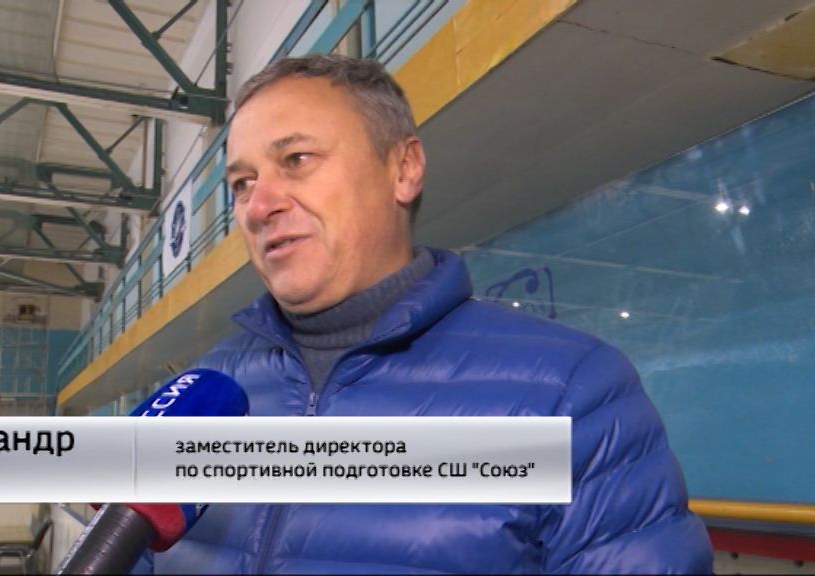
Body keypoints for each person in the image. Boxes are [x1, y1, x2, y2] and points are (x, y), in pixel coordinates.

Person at [150, 54, 713, 574]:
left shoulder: (570, 393)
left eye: (296, 160)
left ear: (404, 169)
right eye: (242, 183)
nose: (259, 206)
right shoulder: (199, 390)